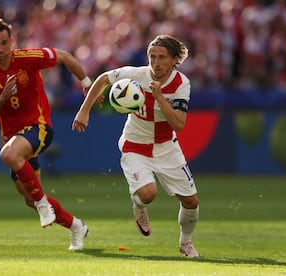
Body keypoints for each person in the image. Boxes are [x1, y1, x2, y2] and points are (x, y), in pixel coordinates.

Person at [72, 35, 200, 258]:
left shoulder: (181, 84)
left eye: (162, 57)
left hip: (166, 147)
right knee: (148, 194)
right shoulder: (136, 75)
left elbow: (178, 123)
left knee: (191, 202)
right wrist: (85, 110)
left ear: (173, 60)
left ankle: (185, 242)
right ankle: (139, 207)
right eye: (152, 57)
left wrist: (159, 97)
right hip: (135, 145)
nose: (156, 63)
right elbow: (103, 78)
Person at [0, 18, 91, 250]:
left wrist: (87, 84)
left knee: (8, 155)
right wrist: (3, 96)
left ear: (12, 41)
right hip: (14, 137)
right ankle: (76, 226)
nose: (0, 49)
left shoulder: (28, 58)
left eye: (4, 43)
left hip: (38, 127)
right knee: (29, 197)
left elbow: (65, 57)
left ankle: (42, 204)